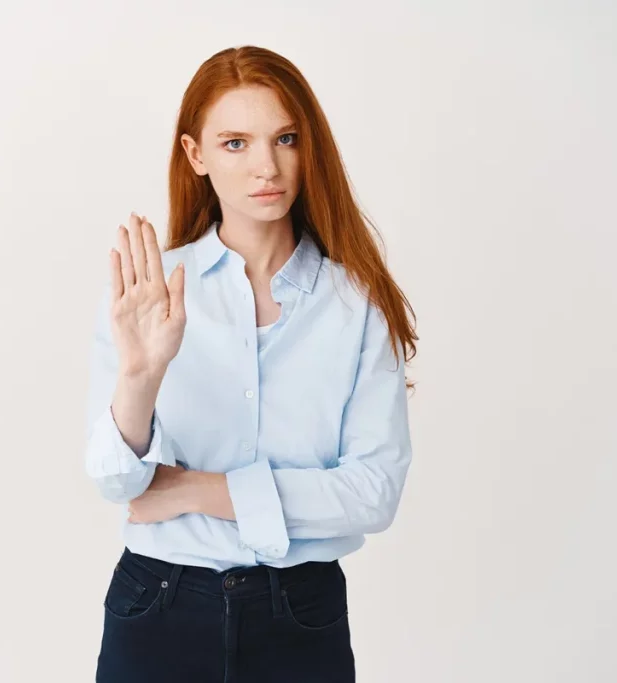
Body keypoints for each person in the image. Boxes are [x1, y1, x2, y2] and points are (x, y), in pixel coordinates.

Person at [84, 45, 417, 682]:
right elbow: (118, 485)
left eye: (285, 138)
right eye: (235, 142)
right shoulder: (149, 291)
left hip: (301, 615)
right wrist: (141, 376)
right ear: (195, 155)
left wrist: (195, 490)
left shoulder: (354, 304)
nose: (267, 165)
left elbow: (372, 494)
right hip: (158, 608)